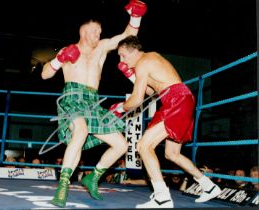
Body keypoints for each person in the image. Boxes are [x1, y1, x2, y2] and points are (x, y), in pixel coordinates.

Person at [41, 1, 147, 208]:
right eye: (94, 31)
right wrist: (59, 59)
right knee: (79, 131)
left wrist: (136, 17)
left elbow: (126, 37)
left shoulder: (102, 47)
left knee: (121, 145)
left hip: (92, 101)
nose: (97, 35)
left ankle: (93, 178)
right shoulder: (68, 50)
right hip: (72, 100)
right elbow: (45, 74)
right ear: (82, 31)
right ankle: (63, 186)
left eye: (99, 31)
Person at [110, 35, 222, 208]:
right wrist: (130, 75)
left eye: (123, 55)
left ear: (134, 52)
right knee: (172, 154)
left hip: (176, 100)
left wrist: (120, 108)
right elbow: (149, 92)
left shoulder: (143, 62)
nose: (121, 59)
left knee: (143, 146)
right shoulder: (148, 60)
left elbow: (137, 99)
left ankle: (162, 197)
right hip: (178, 99)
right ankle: (209, 186)